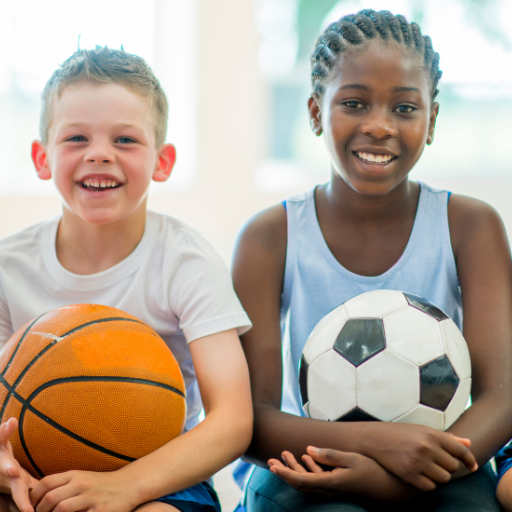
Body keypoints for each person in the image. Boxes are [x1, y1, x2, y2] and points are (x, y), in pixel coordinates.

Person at [232, 9, 512, 512]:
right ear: (317, 112)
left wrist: (396, 479)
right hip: (305, 461)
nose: (379, 126)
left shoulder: (471, 226)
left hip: (442, 463)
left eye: (404, 109)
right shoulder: (270, 236)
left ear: (431, 121)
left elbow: (503, 396)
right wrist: (382, 446)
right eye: (355, 103)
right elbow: (249, 418)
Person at [0, 47, 253, 512]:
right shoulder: (7, 267)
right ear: (42, 158)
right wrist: (6, 468)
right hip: (35, 468)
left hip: (161, 477)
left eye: (125, 141)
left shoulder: (185, 261)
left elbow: (233, 419)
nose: (99, 154)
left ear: (162, 160)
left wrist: (126, 487)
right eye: (76, 138)